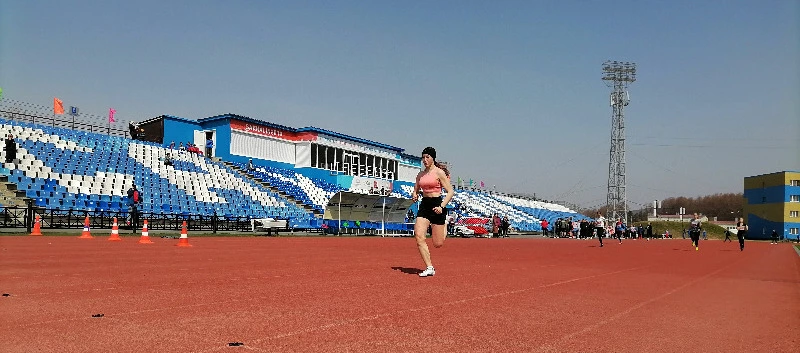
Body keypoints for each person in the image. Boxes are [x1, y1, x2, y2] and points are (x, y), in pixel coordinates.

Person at [411, 147, 454, 277]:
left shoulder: (439, 173)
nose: (425, 160)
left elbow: (450, 191)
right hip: (425, 205)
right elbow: (416, 189)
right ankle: (429, 267)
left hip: (437, 205)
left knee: (437, 243)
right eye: (423, 157)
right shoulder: (420, 175)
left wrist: (442, 206)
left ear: (433, 158)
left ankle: (444, 223)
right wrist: (414, 194)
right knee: (419, 236)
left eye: (427, 157)